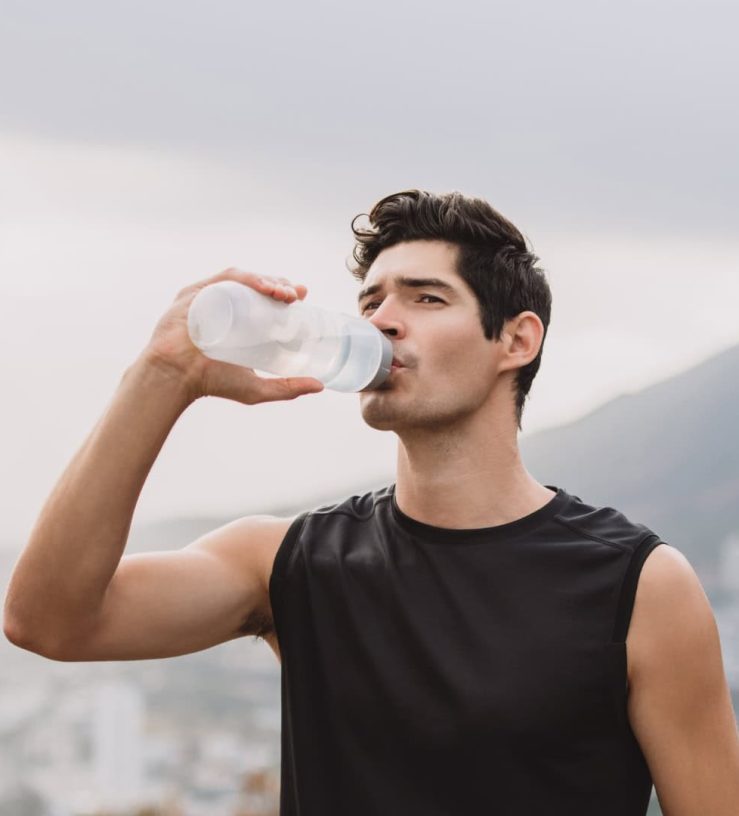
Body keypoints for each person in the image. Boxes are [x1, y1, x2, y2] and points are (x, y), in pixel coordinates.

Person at [4, 189, 738, 815]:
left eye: (425, 297)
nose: (382, 321)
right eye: (371, 301)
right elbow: (47, 620)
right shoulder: (291, 562)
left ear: (515, 340)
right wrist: (161, 375)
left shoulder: (637, 584)